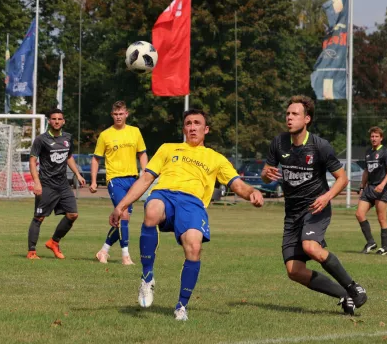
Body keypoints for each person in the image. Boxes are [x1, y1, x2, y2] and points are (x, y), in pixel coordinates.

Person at [108, 109, 264, 321]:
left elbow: (237, 184)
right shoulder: (168, 149)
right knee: (152, 209)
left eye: (197, 123)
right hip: (165, 195)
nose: (192, 127)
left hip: (193, 203)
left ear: (206, 129)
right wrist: (122, 206)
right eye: (188, 123)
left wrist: (252, 192)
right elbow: (145, 180)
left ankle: (181, 306)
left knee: (194, 246)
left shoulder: (215, 158)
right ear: (184, 129)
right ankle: (147, 278)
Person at [261, 95, 367, 316]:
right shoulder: (278, 143)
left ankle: (353, 286)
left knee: (310, 246)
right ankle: (343, 295)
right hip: (292, 214)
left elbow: (342, 179)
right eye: (288, 114)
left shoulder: (320, 146)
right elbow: (266, 177)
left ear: (307, 119)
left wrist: (326, 197)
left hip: (315, 208)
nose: (289, 118)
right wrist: (264, 174)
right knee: (294, 271)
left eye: (295, 114)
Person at [92, 101, 148, 265]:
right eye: (115, 114)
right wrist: (94, 181)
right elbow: (96, 159)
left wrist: (145, 172)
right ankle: (125, 256)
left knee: (124, 219)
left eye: (121, 113)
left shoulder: (135, 132)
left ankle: (104, 251)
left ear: (126, 114)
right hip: (115, 179)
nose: (118, 117)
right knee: (123, 214)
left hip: (132, 180)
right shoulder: (105, 135)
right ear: (112, 115)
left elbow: (142, 154)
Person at [26, 108, 86, 260]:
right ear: (49, 121)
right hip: (46, 184)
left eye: (59, 119)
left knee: (73, 214)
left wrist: (77, 174)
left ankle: (54, 242)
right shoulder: (41, 139)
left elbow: (69, 157)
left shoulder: (67, 137)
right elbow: (32, 161)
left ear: (63, 121)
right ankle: (31, 252)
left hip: (63, 185)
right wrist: (36, 182)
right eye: (54, 119)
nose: (57, 121)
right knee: (39, 218)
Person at [356, 126, 387, 256]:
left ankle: (385, 248)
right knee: (359, 214)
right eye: (372, 136)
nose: (374, 138)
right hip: (369, 188)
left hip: (381, 189)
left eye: (376, 136)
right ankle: (371, 242)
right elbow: (367, 170)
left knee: (381, 218)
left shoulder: (385, 152)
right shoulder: (368, 152)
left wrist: (383, 184)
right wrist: (362, 186)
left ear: (381, 138)